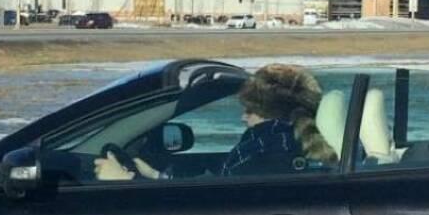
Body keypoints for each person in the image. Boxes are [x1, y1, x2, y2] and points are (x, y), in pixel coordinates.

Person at [94, 64, 338, 181]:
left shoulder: (266, 147)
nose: (243, 117)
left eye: (249, 110)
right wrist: (156, 175)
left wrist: (127, 181)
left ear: (269, 111)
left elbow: (209, 207)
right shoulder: (284, 142)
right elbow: (215, 186)